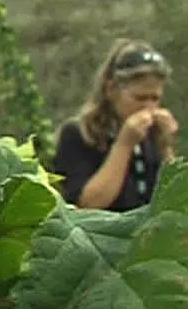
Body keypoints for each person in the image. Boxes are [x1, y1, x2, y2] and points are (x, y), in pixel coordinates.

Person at [51, 40, 178, 211]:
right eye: (139, 98)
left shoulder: (152, 136)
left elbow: (173, 201)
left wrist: (165, 145)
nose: (148, 108)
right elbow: (88, 205)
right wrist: (125, 144)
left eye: (154, 98)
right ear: (111, 90)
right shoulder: (78, 133)